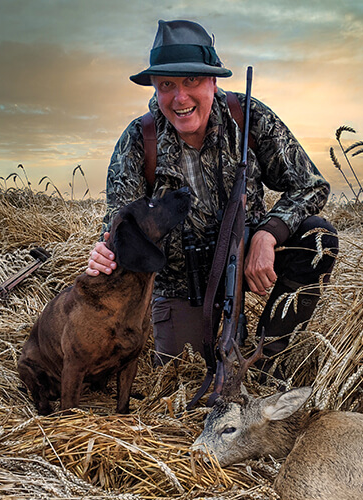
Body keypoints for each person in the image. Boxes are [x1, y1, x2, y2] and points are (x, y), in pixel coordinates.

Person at [87, 19, 338, 379]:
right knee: (182, 380)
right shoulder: (139, 139)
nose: (180, 97)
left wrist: (268, 234)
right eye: (167, 85)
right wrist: (104, 251)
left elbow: (311, 185)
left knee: (318, 240)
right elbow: (119, 223)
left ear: (213, 81)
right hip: (181, 281)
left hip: (249, 256)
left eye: (192, 81)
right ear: (155, 89)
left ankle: (266, 361)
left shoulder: (249, 118)